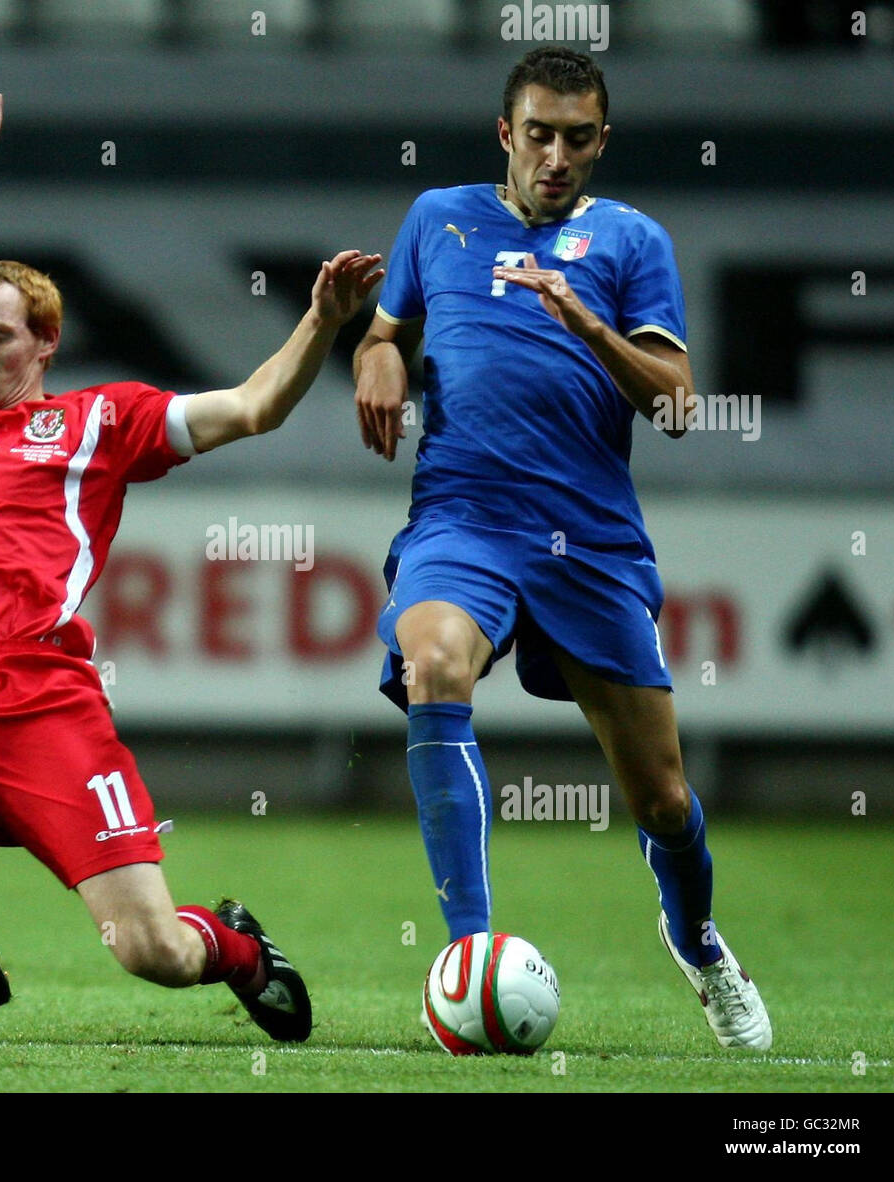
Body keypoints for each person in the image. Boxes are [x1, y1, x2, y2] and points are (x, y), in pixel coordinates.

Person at [0, 91, 383, 1043]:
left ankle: (241, 948)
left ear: (46, 342)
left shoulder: (99, 422)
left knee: (152, 953)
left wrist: (321, 324)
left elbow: (252, 408)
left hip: (39, 704)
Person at [352, 47, 771, 1050]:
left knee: (663, 801)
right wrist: (374, 362)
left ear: (599, 143)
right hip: (463, 518)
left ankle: (700, 944)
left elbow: (675, 403)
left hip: (588, 541)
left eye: (575, 138)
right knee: (433, 663)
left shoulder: (632, 241)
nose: (554, 155)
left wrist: (589, 324)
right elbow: (383, 332)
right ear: (506, 133)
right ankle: (469, 957)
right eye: (537, 134)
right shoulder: (436, 219)